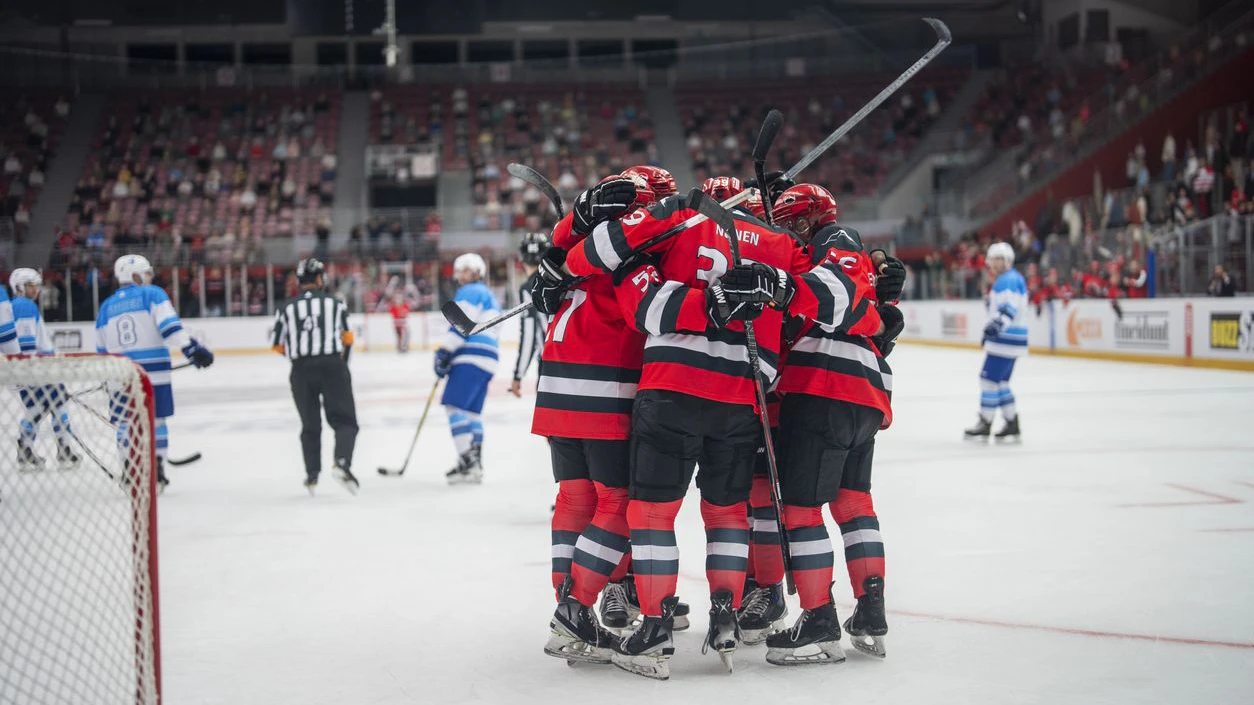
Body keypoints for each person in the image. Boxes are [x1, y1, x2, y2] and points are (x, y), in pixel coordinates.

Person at [548, 187, 883, 680]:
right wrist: (873, 302)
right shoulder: (782, 244)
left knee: (649, 512)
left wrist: (561, 253)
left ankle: (652, 625)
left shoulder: (678, 220)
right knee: (731, 509)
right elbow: (841, 300)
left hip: (672, 387)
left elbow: (612, 273)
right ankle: (727, 612)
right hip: (745, 397)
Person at [761, 184, 904, 665]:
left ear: (812, 217)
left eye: (792, 220)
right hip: (863, 390)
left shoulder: (835, 238)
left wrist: (779, 290)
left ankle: (819, 619)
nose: (786, 230)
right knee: (853, 503)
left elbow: (833, 298)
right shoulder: (839, 252)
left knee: (800, 511)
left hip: (824, 383)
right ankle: (870, 611)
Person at [96, 255, 215, 491]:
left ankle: (129, 468)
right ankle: (157, 467)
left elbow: (101, 348)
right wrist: (193, 350)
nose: (150, 277)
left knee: (123, 421)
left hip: (119, 372)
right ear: (136, 275)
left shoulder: (106, 306)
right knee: (157, 419)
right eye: (146, 273)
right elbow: (170, 329)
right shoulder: (152, 294)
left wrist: (106, 376)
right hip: (154, 373)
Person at [271, 258, 360, 495]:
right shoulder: (336, 303)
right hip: (332, 365)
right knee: (345, 421)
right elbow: (348, 339)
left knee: (310, 423)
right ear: (320, 279)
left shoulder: (287, 307)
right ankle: (342, 462)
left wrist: (301, 359)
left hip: (301, 369)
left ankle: (312, 475)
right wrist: (340, 363)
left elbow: (277, 345)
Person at [434, 253, 500, 484]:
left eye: (465, 269)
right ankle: (475, 462)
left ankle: (467, 461)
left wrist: (444, 352)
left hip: (471, 355)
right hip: (488, 358)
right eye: (459, 270)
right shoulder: (489, 295)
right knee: (472, 413)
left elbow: (461, 323)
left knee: (453, 406)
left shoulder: (471, 292)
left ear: (476, 272)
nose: (460, 274)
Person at [10, 268, 80, 472]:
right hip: (39, 370)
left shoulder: (16, 306)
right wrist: (36, 371)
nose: (36, 289)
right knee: (59, 408)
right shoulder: (24, 306)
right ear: (20, 287)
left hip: (27, 371)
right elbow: (26, 343)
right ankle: (64, 449)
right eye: (32, 285)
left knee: (35, 410)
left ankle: (26, 450)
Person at [965, 242, 1028, 443]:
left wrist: (996, 326)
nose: (992, 263)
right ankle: (1012, 422)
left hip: (1005, 339)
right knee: (1000, 382)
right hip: (1012, 340)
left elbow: (1010, 307)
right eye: (991, 259)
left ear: (1006, 260)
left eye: (996, 259)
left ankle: (985, 422)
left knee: (988, 380)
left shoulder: (1006, 280)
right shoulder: (1012, 278)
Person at [509, 231, 550, 398]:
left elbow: (530, 335)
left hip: (549, 364)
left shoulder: (528, 288)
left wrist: (518, 375)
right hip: (574, 357)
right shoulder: (561, 280)